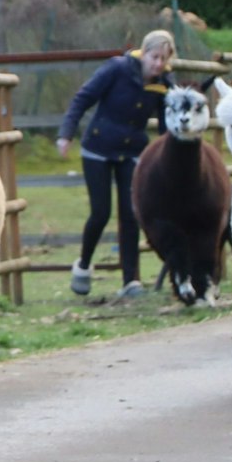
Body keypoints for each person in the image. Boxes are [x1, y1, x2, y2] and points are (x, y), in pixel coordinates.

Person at [57, 30, 176, 298]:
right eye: (154, 57)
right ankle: (84, 266)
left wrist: (168, 157)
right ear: (144, 53)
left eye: (163, 59)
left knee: (130, 215)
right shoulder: (117, 68)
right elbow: (83, 98)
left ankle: (130, 281)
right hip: (97, 149)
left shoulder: (164, 84)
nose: (157, 64)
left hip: (131, 153)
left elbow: (167, 126)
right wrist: (66, 134)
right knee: (100, 213)